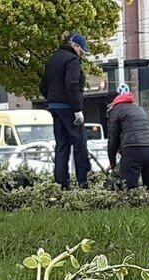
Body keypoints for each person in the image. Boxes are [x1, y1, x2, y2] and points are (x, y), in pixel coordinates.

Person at [40, 31, 90, 189]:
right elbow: (72, 85)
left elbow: (43, 86)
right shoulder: (72, 60)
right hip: (69, 108)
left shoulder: (52, 59)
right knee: (80, 144)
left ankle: (61, 183)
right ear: (75, 46)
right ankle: (83, 182)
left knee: (62, 146)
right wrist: (77, 110)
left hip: (55, 108)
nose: (81, 55)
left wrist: (52, 99)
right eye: (81, 51)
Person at [107, 92, 149, 192]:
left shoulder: (116, 110)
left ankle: (131, 206)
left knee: (127, 185)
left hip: (133, 149)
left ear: (110, 103)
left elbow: (112, 140)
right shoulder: (138, 108)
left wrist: (112, 163)